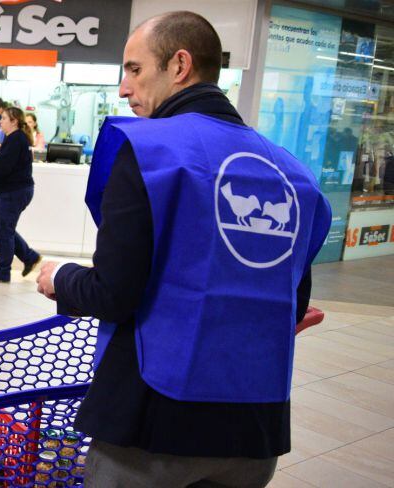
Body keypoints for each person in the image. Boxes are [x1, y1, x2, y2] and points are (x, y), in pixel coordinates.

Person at [35, 12, 331, 486]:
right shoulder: (294, 176)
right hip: (257, 427)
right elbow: (293, 305)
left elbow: (114, 292)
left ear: (179, 65)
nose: (123, 89)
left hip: (154, 424)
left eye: (133, 69)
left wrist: (60, 277)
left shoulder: (151, 152)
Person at [0, 106, 42, 283]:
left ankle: (2, 272)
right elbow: (6, 162)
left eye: (3, 118)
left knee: (4, 230)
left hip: (14, 192)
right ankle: (29, 257)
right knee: (6, 229)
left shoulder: (16, 139)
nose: (0, 121)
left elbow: (2, 167)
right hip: (16, 191)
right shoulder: (15, 139)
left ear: (14, 121)